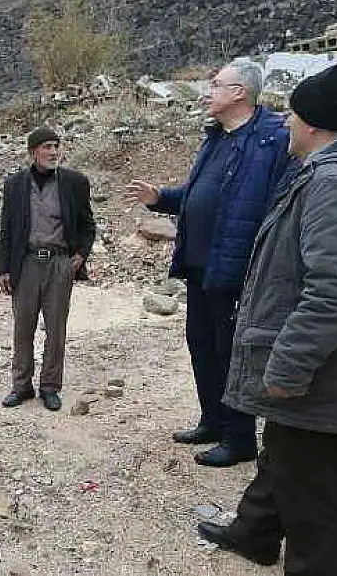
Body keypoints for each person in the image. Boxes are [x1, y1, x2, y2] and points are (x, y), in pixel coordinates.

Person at [197, 55, 337, 575]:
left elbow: (336, 291)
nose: (286, 123)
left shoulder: (333, 184)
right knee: (287, 448)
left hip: (326, 371)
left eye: (293, 115)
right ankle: (254, 532)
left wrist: (290, 364)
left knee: (316, 496)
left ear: (315, 124)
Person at [125, 60, 292, 467]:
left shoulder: (271, 138)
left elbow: (276, 203)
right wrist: (161, 198)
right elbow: (200, 194)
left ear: (240, 93)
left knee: (230, 351)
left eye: (216, 84)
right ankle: (213, 421)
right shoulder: (216, 138)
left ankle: (240, 438)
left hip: (237, 267)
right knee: (201, 343)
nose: (207, 90)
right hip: (201, 265)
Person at [0, 127, 96, 411]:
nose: (53, 152)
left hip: (58, 264)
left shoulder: (74, 183)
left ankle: (50, 386)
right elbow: (7, 229)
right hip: (26, 263)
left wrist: (80, 255)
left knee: (56, 329)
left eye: (55, 146)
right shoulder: (14, 185)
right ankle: (22, 386)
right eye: (47, 147)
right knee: (23, 327)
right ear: (33, 152)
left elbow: (88, 224)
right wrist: (4, 268)